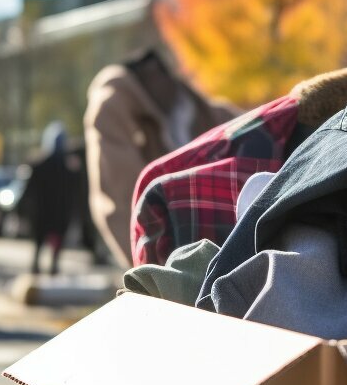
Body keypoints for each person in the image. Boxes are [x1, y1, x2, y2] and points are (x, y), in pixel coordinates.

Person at [83, 49, 235, 267]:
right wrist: (151, 272)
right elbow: (120, 198)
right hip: (169, 262)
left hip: (222, 255)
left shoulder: (199, 109)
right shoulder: (114, 104)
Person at [20, 125, 72, 276]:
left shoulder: (41, 166)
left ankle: (43, 266)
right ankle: (47, 267)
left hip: (46, 213)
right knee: (47, 242)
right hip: (49, 213)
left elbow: (27, 191)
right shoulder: (67, 169)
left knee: (44, 242)